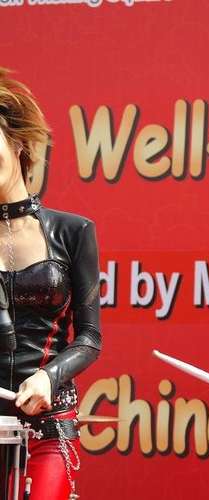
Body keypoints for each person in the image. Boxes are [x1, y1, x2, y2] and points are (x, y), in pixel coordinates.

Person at [0, 68, 101, 499]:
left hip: (48, 425)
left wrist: (49, 376)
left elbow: (90, 338)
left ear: (17, 144)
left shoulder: (73, 231)